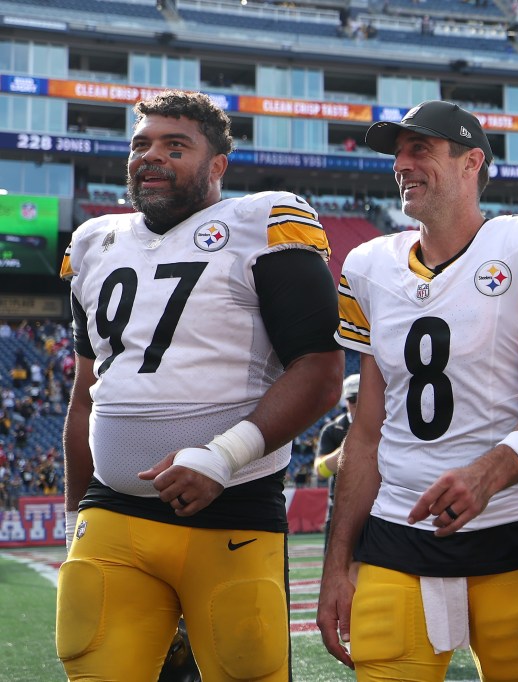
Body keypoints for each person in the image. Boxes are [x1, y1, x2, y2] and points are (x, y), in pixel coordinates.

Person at [316, 100, 518, 681]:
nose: (402, 163)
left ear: (472, 160)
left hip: (510, 535)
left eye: (419, 148)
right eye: (397, 152)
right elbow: (367, 431)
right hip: (397, 533)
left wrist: (488, 473)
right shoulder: (370, 266)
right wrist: (336, 564)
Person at [57, 90, 345, 681]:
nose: (151, 156)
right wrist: (71, 517)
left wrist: (223, 456)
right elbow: (86, 394)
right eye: (141, 144)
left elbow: (319, 368)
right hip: (112, 516)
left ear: (218, 165)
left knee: (247, 673)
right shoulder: (95, 242)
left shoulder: (261, 222)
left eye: (175, 146)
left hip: (230, 511)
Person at [314, 373, 359, 549]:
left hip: (377, 507)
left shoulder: (385, 425)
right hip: (341, 507)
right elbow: (320, 471)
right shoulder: (332, 430)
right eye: (353, 399)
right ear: (346, 402)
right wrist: (348, 446)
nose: (357, 403)